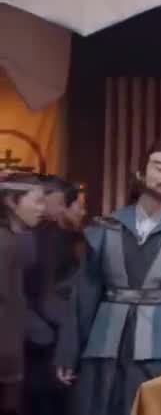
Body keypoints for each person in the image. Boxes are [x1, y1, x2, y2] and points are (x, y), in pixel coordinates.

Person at [54, 141, 161, 415]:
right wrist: (69, 350)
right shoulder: (108, 227)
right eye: (159, 167)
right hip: (104, 347)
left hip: (160, 351)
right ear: (141, 174)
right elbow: (84, 294)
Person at [24, 176, 84, 415]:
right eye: (57, 203)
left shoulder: (54, 236)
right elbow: (46, 294)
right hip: (45, 336)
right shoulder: (47, 237)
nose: (60, 209)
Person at [0, 174, 45, 415]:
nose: (42, 209)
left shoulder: (16, 240)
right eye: (37, 201)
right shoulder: (4, 242)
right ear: (11, 201)